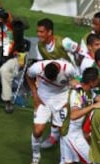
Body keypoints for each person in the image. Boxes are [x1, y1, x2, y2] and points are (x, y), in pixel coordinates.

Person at [41, 67, 100, 164]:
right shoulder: (77, 94)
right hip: (72, 134)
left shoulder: (88, 92)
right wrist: (94, 106)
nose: (99, 81)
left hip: (71, 133)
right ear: (92, 81)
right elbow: (75, 115)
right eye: (97, 79)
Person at [35, 18, 84, 149]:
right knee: (57, 108)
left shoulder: (64, 42)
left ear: (49, 32)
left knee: (76, 107)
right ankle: (54, 137)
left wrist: (79, 74)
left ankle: (77, 136)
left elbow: (82, 53)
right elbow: (42, 66)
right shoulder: (39, 46)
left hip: (74, 80)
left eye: (41, 32)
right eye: (38, 32)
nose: (38, 35)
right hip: (58, 82)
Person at [25, 59, 77, 164]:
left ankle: (63, 162)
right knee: (38, 131)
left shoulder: (68, 69)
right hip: (43, 99)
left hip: (62, 99)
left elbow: (77, 81)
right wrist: (35, 95)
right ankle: (35, 158)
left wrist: (70, 97)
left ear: (59, 72)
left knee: (64, 132)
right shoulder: (37, 68)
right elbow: (28, 76)